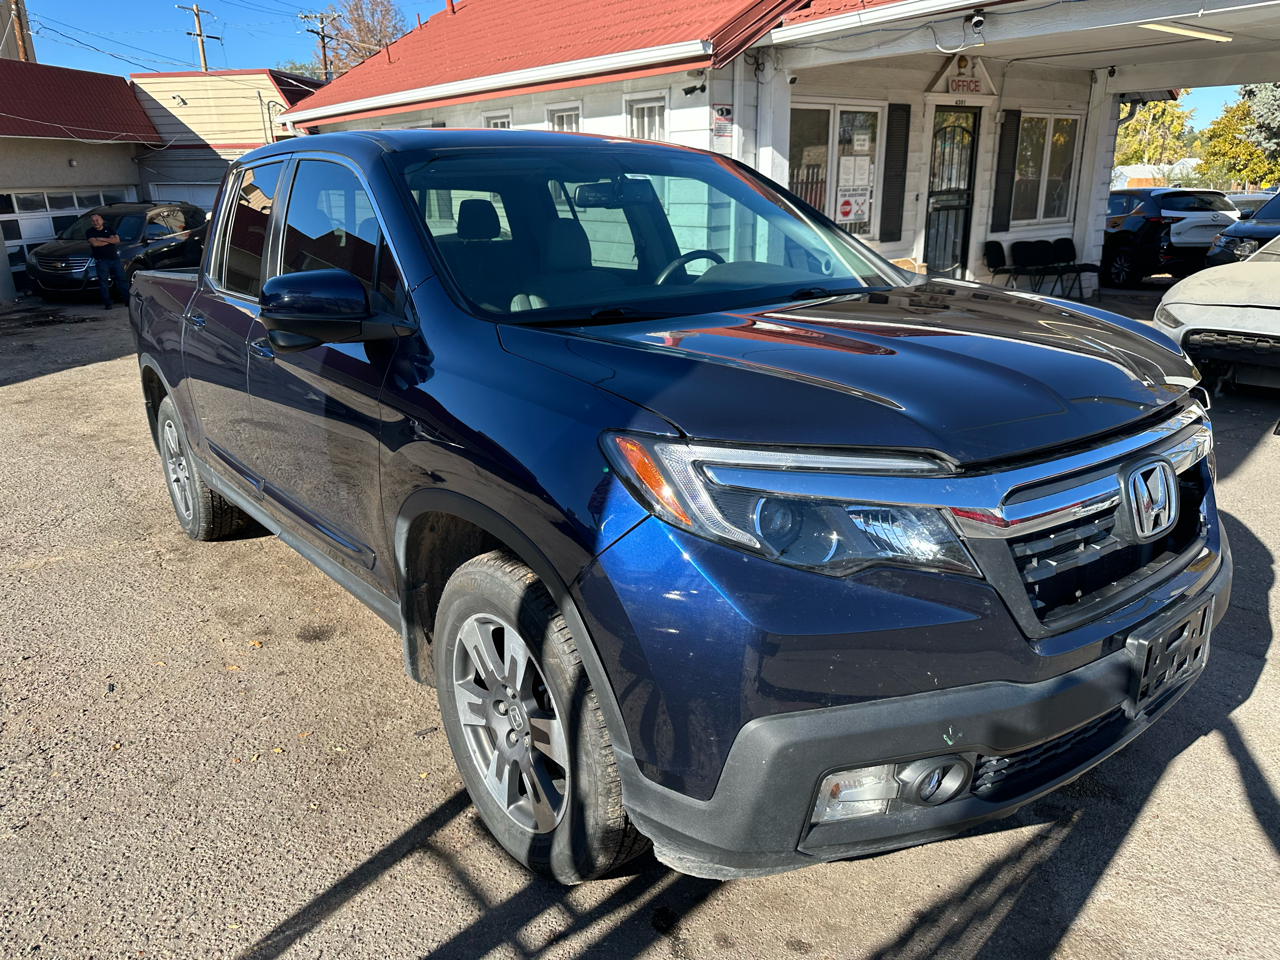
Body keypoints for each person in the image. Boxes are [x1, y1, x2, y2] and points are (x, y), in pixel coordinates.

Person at [85, 213, 127, 310]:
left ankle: (128, 300)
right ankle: (107, 303)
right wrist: (109, 240)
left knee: (122, 280)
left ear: (102, 220)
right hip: (101, 260)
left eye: (97, 220)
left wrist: (101, 239)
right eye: (93, 221)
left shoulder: (110, 229)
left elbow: (117, 240)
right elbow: (95, 244)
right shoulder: (89, 232)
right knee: (103, 282)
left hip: (114, 259)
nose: (95, 222)